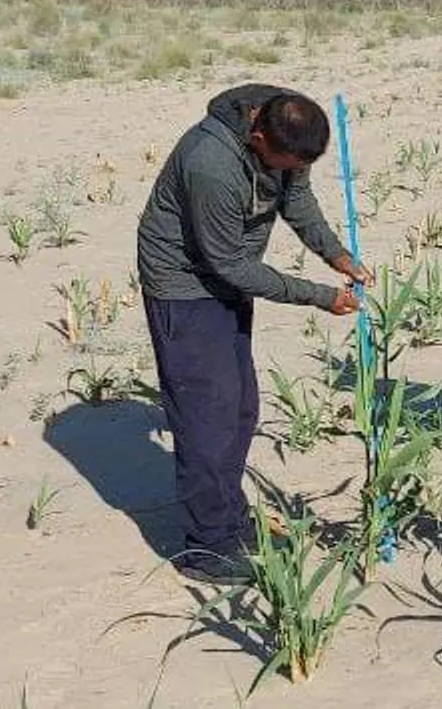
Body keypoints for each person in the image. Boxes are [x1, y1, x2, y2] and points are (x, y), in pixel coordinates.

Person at [135, 83, 372, 584]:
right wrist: (319, 295)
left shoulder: (294, 128)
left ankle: (227, 515)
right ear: (258, 136)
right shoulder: (211, 163)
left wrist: (335, 254)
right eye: (284, 163)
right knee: (207, 417)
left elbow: (298, 200)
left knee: (240, 408)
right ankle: (207, 548)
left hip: (223, 275)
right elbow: (231, 265)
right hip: (185, 284)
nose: (291, 171)